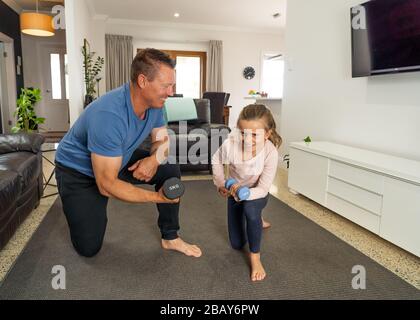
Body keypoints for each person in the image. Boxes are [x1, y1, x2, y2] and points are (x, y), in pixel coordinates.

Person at [55, 48, 202, 258]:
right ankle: (75, 204)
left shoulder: (156, 104)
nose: (171, 92)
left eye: (173, 85)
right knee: (88, 248)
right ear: (143, 81)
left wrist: (153, 159)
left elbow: (162, 142)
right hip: (77, 172)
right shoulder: (109, 114)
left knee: (167, 166)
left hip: (117, 158)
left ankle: (170, 236)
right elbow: (106, 185)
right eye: (166, 86)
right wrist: (157, 197)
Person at [212, 104, 281, 281]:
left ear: (267, 134)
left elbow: (264, 188)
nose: (247, 139)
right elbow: (216, 159)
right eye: (243, 132)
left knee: (251, 210)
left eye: (255, 135)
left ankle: (255, 257)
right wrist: (221, 183)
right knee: (236, 244)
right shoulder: (231, 144)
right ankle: (257, 218)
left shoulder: (270, 153)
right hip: (234, 192)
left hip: (257, 193)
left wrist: (245, 194)